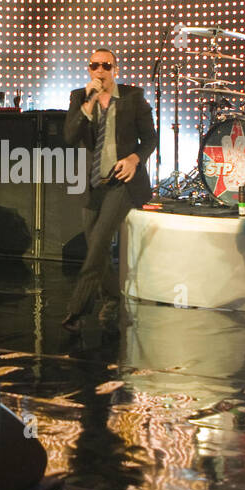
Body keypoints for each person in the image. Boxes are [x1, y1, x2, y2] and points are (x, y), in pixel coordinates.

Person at [62, 48, 156, 331]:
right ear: (89, 69)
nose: (100, 70)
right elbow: (69, 137)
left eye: (106, 65)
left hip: (124, 182)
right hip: (95, 183)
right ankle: (113, 298)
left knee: (99, 243)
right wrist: (88, 104)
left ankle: (76, 312)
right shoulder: (79, 97)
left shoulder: (132, 97)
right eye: (95, 65)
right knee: (96, 246)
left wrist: (134, 159)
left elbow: (150, 139)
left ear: (116, 69)